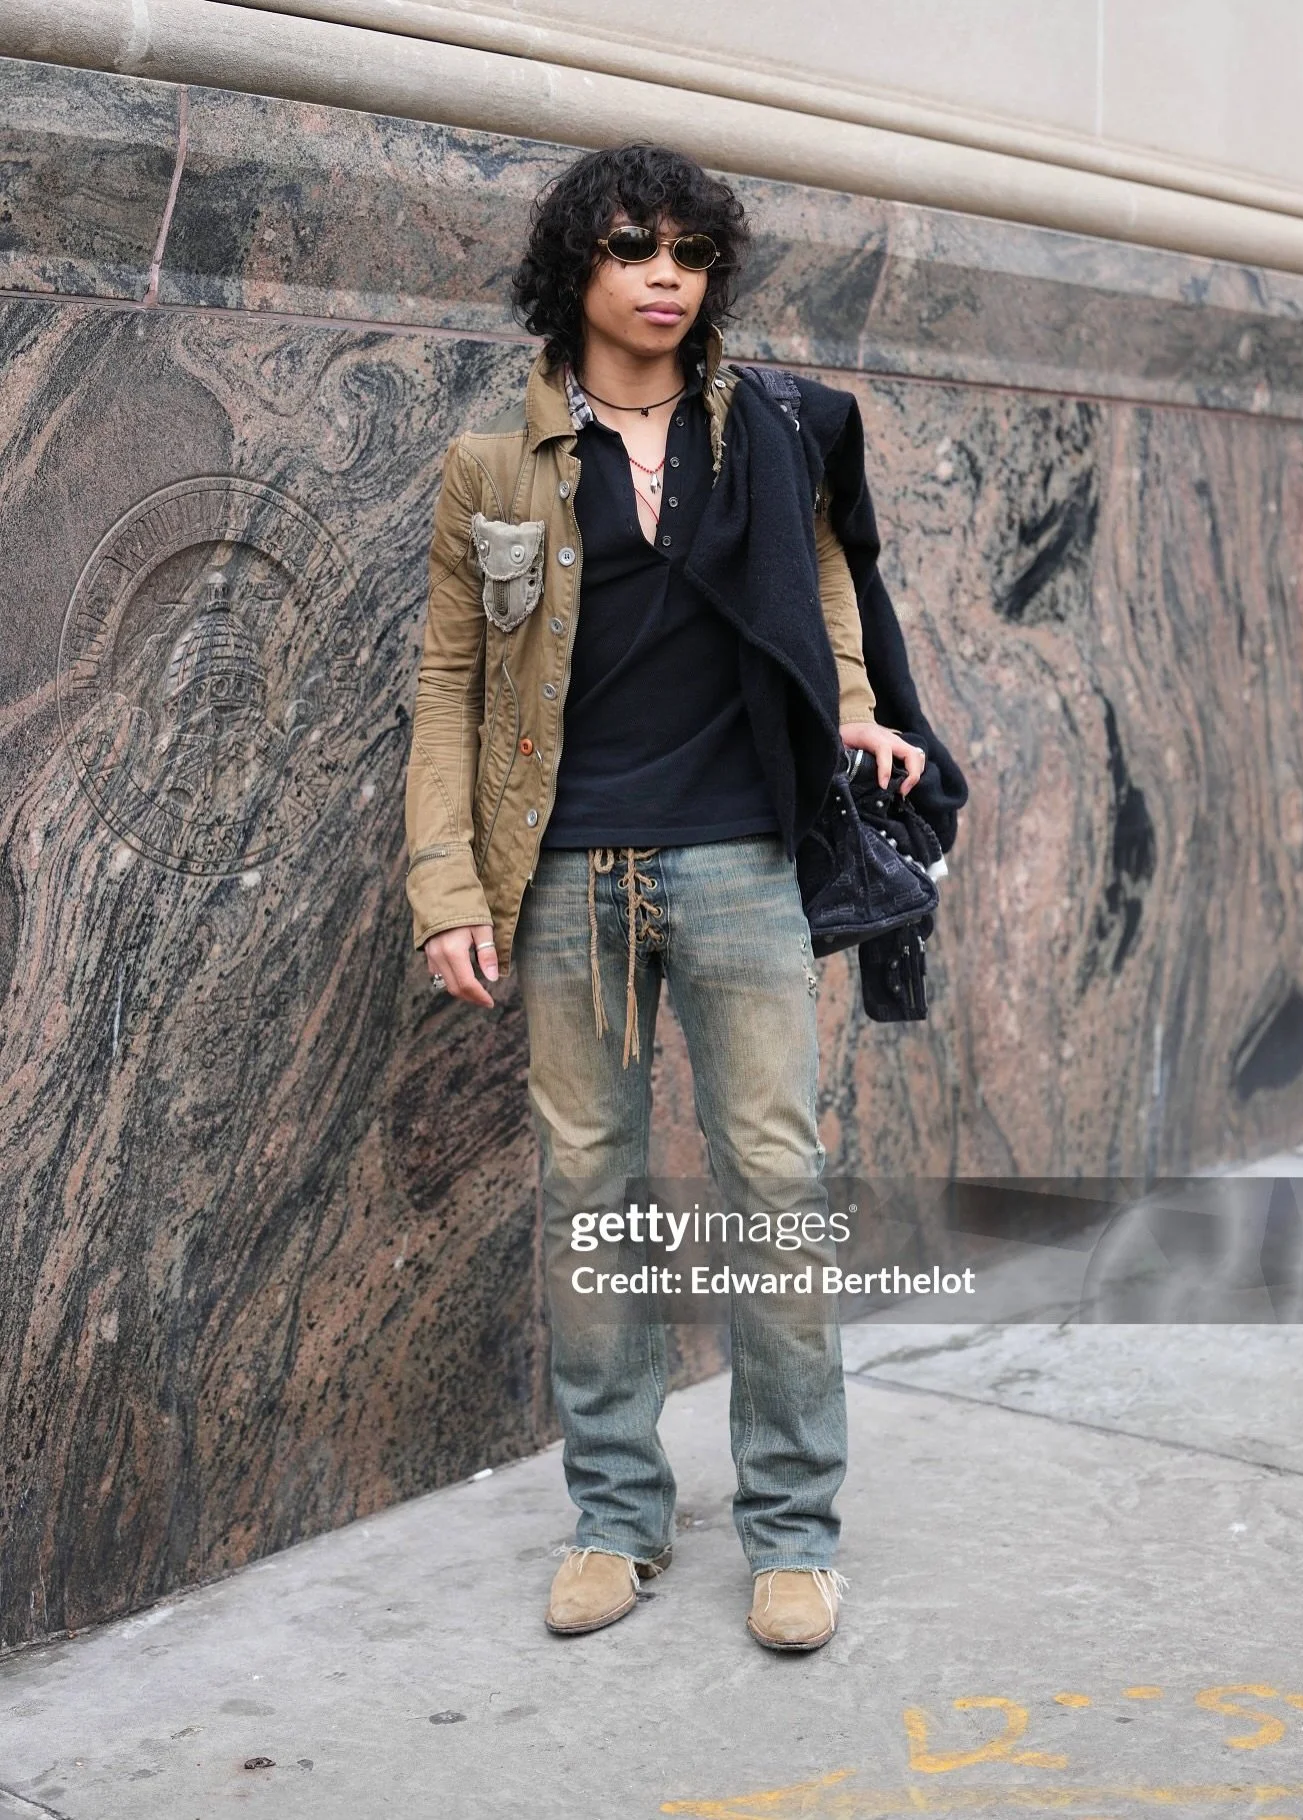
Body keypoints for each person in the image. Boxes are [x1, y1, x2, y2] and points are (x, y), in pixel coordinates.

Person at [403, 142, 929, 1653]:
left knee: (776, 1186)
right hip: (567, 870)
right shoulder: (491, 466)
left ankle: (792, 1530)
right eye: (633, 244)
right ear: (575, 264)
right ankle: (618, 1517)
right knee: (595, 1196)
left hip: (736, 857)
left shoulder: (766, 428)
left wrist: (848, 702)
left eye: (692, 254)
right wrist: (448, 881)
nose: (663, 275)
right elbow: (450, 684)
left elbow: (821, 579)